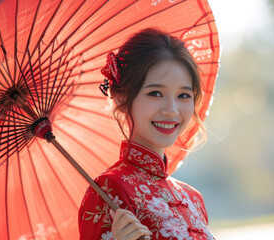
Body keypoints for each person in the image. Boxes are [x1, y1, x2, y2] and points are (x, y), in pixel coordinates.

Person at [78, 28, 215, 240]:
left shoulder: (193, 198)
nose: (171, 110)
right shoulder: (108, 190)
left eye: (183, 95)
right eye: (155, 93)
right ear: (121, 97)